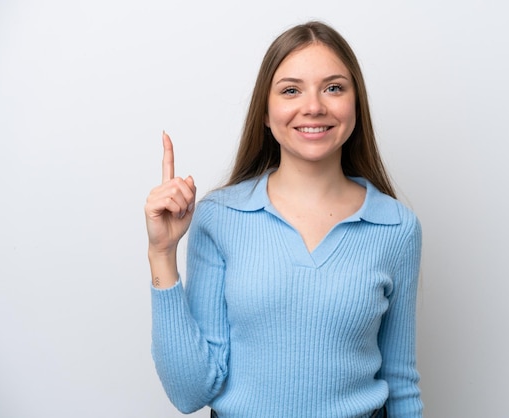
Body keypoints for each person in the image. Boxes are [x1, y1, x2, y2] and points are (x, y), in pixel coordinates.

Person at [144, 21, 423, 418]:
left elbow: (400, 382)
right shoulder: (219, 218)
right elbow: (190, 393)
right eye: (291, 90)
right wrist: (161, 253)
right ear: (265, 112)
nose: (313, 106)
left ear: (355, 105)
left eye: (334, 88)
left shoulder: (397, 228)